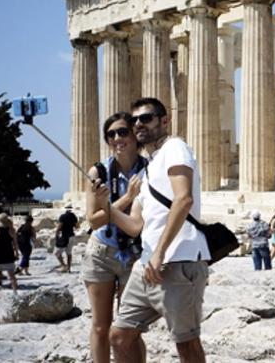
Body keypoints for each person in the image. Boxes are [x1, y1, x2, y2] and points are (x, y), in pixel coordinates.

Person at [106, 97, 210, 363]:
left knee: (186, 345)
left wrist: (160, 252)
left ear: (164, 121)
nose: (138, 124)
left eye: (147, 118)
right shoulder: (150, 166)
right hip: (148, 264)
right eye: (134, 120)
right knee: (119, 335)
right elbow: (136, 226)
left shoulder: (175, 148)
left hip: (177, 261)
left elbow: (183, 199)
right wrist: (105, 207)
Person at [83, 112, 148, 363]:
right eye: (111, 134)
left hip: (135, 254)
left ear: (134, 135)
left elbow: (137, 223)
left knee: (131, 329)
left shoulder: (149, 169)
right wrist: (127, 198)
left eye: (123, 132)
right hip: (101, 253)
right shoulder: (97, 171)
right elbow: (93, 219)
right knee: (100, 327)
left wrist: (109, 207)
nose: (117, 138)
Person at [55, 204, 79, 273]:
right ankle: (69, 268)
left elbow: (59, 227)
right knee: (69, 253)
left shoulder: (63, 216)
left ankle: (63, 265)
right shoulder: (73, 216)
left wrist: (56, 235)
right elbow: (77, 226)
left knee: (57, 253)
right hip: (72, 236)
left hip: (65, 236)